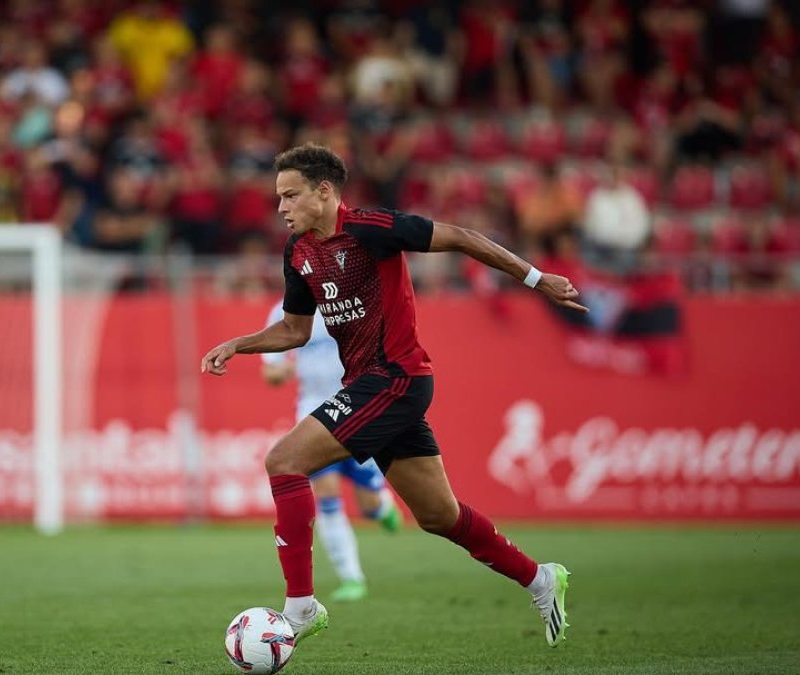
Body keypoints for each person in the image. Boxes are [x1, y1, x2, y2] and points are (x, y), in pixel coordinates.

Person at [201, 144, 586, 648]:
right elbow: (295, 330)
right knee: (438, 516)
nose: (281, 208)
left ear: (324, 191)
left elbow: (463, 238)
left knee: (284, 460)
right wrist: (239, 344)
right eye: (278, 198)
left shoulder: (370, 229)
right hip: (368, 385)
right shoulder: (298, 253)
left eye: (290, 195)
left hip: (396, 377)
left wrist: (536, 279)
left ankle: (300, 608)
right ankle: (540, 578)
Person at [261, 300, 403, 602]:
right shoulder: (281, 312)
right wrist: (281, 371)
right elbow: (270, 373)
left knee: (368, 505)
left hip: (358, 409)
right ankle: (352, 577)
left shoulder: (349, 303)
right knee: (325, 495)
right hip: (313, 416)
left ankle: (381, 508)